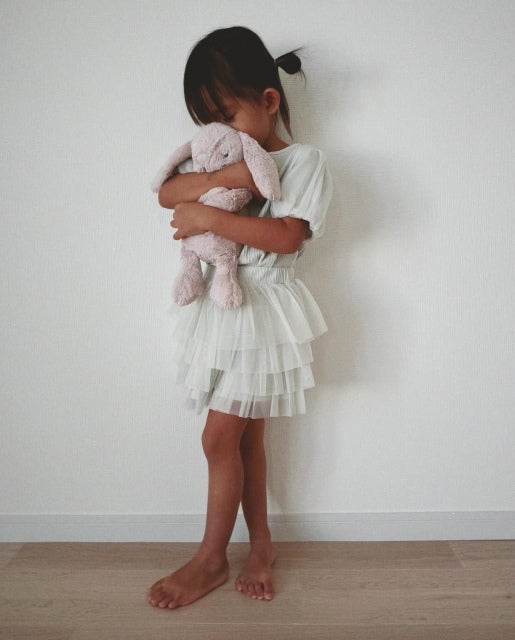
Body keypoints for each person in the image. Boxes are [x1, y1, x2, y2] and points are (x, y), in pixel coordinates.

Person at [148, 26, 332, 609]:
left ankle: (211, 560)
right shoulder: (222, 157)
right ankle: (262, 547)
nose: (217, 132)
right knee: (246, 438)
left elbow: (286, 236)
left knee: (217, 437)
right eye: (209, 121)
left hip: (263, 310)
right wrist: (218, 181)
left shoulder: (302, 161)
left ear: (269, 100)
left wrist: (208, 217)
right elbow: (167, 192)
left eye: (226, 116)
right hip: (223, 308)